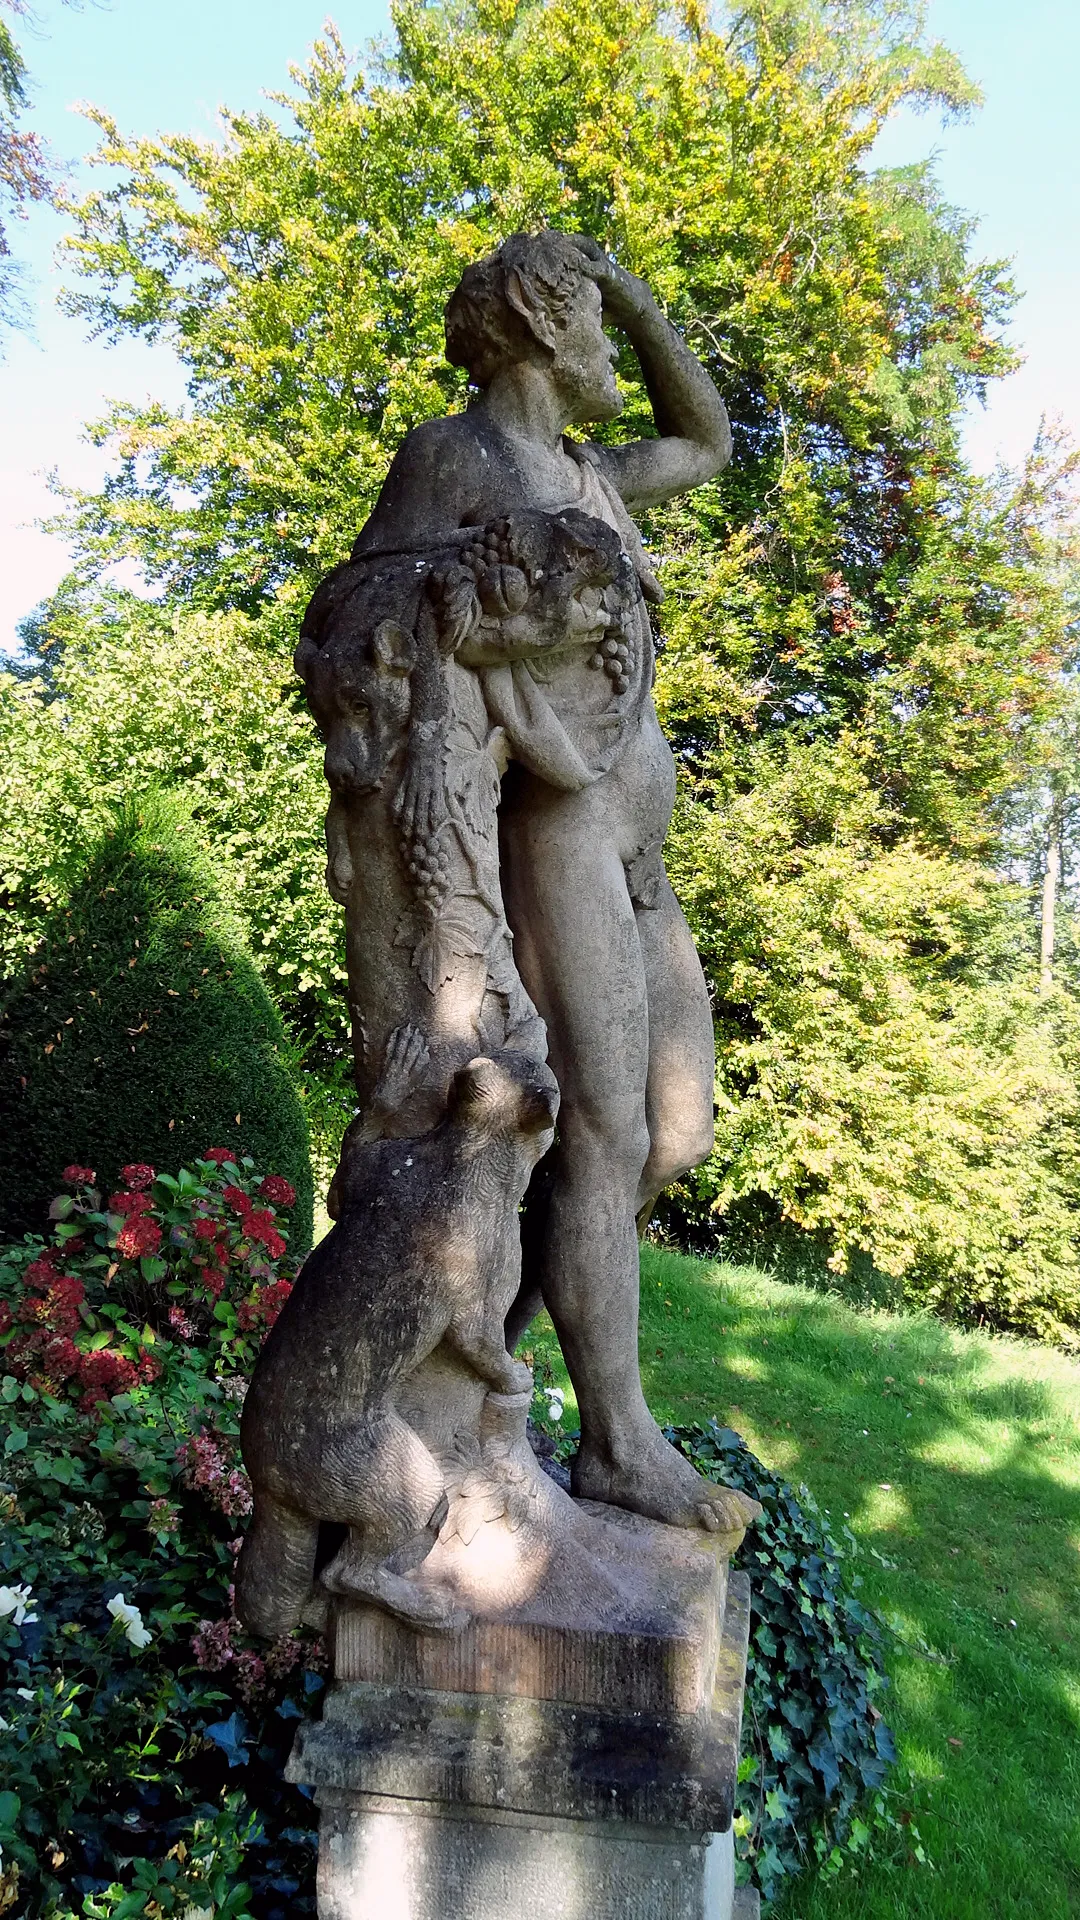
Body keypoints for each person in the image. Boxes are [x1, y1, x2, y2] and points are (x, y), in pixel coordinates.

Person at [351, 231, 755, 1533]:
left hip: (645, 858)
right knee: (604, 1130)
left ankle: (486, 1343)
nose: (609, 361)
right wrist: (475, 596)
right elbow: (357, 607)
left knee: (666, 1139)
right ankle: (618, 1443)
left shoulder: (597, 474)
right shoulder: (455, 457)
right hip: (560, 833)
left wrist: (637, 297)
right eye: (593, 326)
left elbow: (709, 443)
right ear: (537, 320)